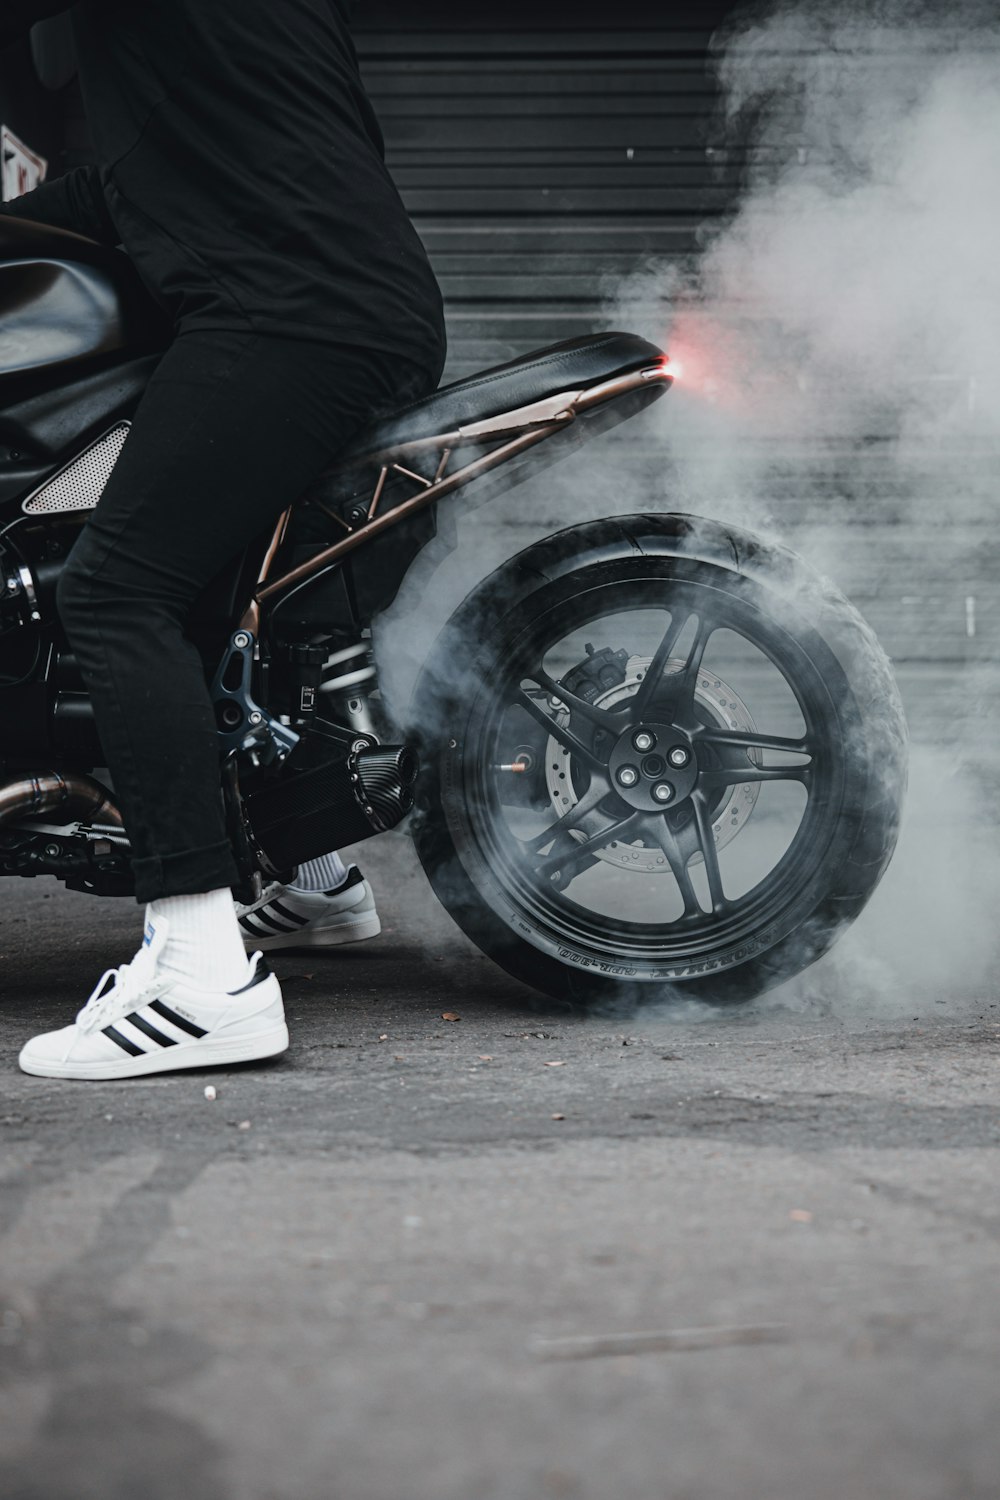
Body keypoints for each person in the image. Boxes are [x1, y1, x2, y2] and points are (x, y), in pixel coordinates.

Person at [2, 1, 446, 1080]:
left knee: (116, 592)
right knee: (219, 594)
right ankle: (316, 876)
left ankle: (202, 974)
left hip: (291, 314)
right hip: (341, 299)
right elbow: (137, 181)